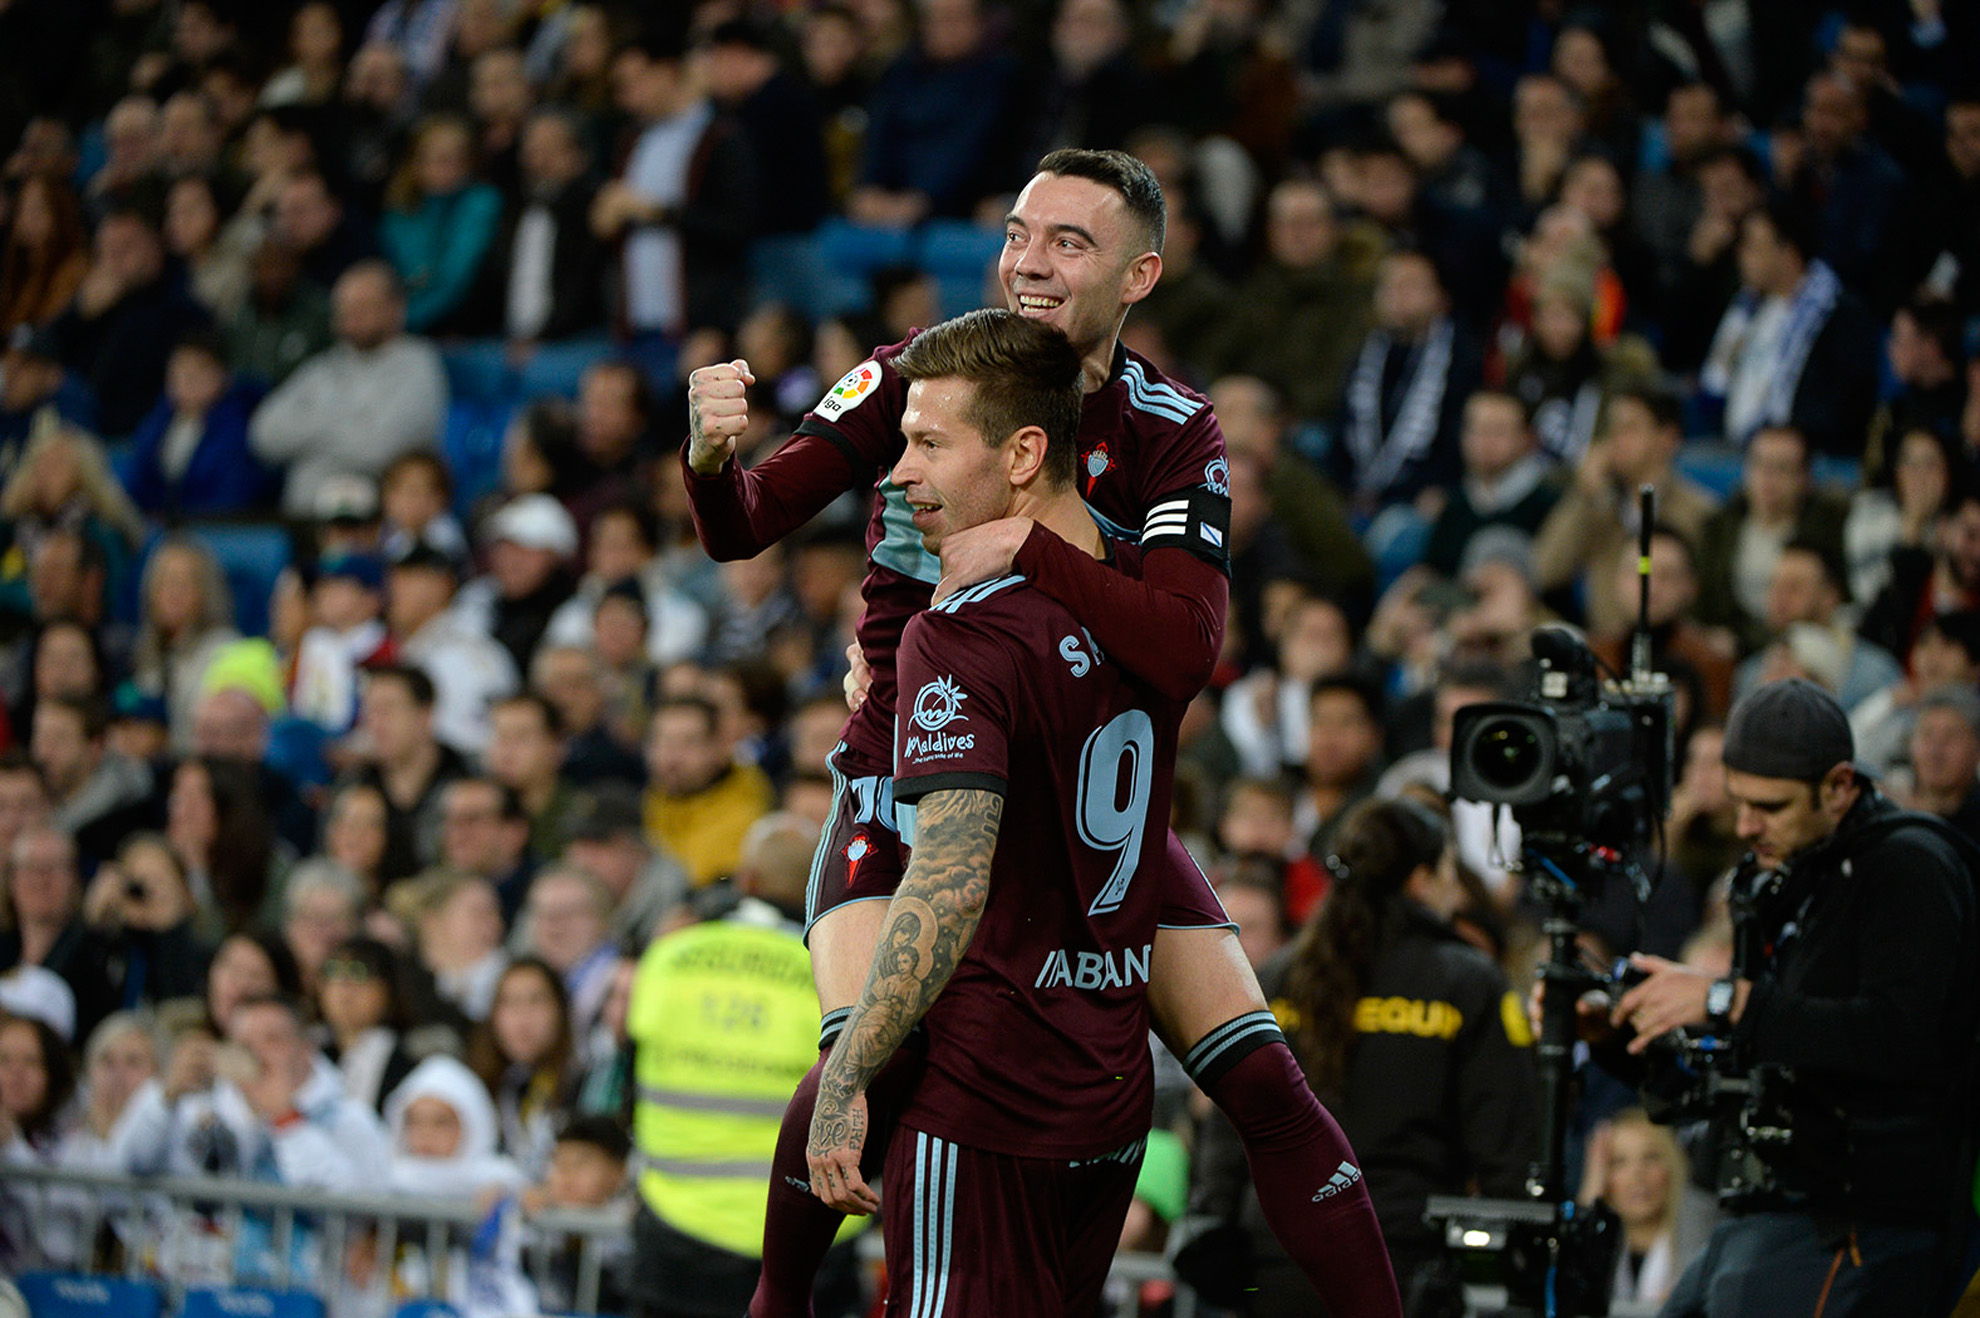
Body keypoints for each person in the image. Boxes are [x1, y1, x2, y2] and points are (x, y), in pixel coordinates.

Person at [687, 149, 1395, 1316]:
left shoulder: (1171, 428)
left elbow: (1182, 649)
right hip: (919, 787)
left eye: (1070, 241)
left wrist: (1033, 553)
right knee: (871, 1049)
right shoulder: (927, 380)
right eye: (1020, 231)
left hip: (1082, 805)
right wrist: (713, 458)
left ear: (1140, 276)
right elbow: (745, 524)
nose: (1029, 261)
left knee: (1264, 1075)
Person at [1606, 679, 1979, 1317]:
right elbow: (1751, 1061)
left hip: (1862, 1218)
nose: (1747, 826)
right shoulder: (1781, 877)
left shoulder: (1909, 866)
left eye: (1770, 806)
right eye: (1740, 803)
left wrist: (1730, 1001)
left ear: (1838, 787)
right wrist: (1622, 1035)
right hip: (1766, 1210)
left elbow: (1901, 1037)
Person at [1189, 797, 1538, 1314]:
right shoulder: (1468, 982)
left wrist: (1213, 1219)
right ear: (1420, 881)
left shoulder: (1277, 976)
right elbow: (1505, 1145)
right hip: (1398, 1264)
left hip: (1273, 1263)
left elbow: (1229, 1127)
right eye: (1445, 871)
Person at [624, 810, 856, 1318]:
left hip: (677, 1236)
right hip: (809, 1238)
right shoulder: (839, 970)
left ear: (746, 880)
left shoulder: (668, 957)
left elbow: (628, 1084)